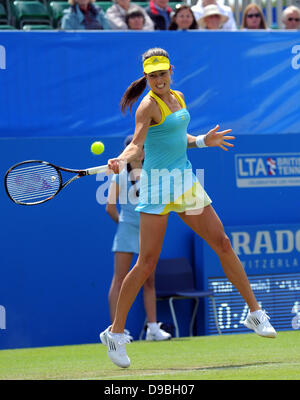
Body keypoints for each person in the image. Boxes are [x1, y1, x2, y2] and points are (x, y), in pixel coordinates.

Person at [100, 47, 277, 369]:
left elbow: (177, 136)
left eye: (162, 73)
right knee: (146, 264)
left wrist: (200, 142)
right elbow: (137, 143)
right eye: (152, 76)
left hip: (184, 181)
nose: (158, 80)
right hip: (156, 185)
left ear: (171, 71)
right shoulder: (147, 107)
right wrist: (122, 159)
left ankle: (254, 312)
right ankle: (115, 332)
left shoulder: (177, 97)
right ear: (146, 77)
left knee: (222, 243)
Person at [105, 135, 171, 341]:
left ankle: (152, 328)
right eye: (137, 148)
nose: (141, 151)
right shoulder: (119, 176)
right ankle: (117, 331)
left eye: (142, 148)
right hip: (127, 228)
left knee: (149, 279)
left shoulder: (152, 172)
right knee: (119, 280)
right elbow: (110, 207)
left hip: (146, 229)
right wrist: (124, 223)